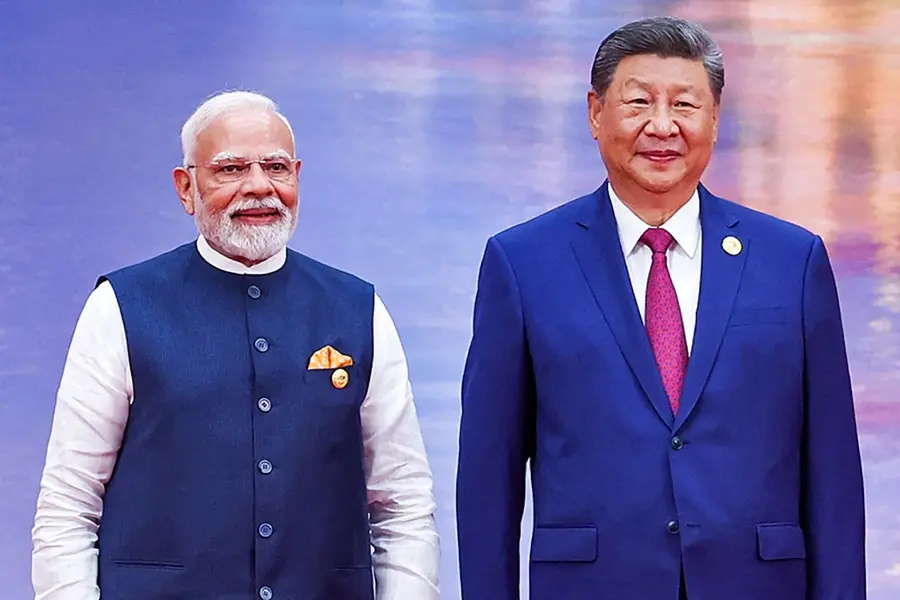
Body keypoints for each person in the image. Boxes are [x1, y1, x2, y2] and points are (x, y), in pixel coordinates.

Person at [456, 16, 865, 600]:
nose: (663, 125)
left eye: (685, 105)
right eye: (639, 102)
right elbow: (487, 480)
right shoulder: (522, 263)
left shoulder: (792, 261)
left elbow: (834, 473)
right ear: (596, 113)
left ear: (715, 118)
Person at [31, 90, 440, 600]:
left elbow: (402, 505)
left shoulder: (359, 310)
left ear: (298, 177)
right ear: (186, 188)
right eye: (231, 169)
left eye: (276, 167)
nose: (259, 186)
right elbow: (68, 505)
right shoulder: (120, 307)